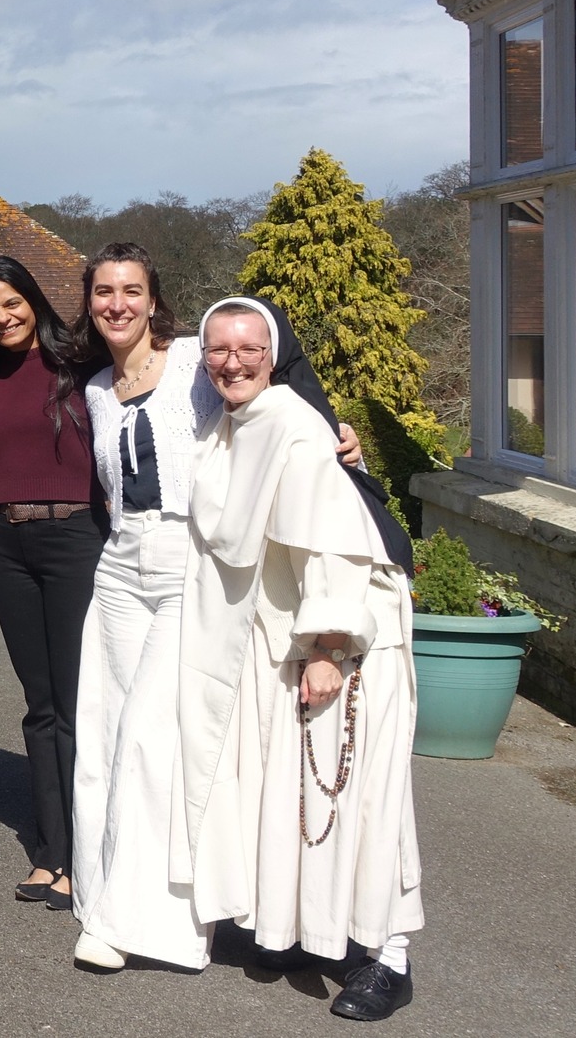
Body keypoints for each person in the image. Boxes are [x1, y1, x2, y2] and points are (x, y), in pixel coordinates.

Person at [70, 247, 370, 970]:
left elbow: (267, 391)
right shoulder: (96, 390)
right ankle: (100, 890)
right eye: (104, 291)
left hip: (188, 566)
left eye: (131, 291)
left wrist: (341, 441)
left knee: (151, 736)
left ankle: (143, 925)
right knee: (104, 734)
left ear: (152, 299)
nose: (117, 304)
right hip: (118, 565)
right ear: (90, 302)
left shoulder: (192, 370)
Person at [178, 299, 423, 1022]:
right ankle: (301, 934)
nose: (232, 360)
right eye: (217, 348)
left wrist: (326, 645)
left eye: (248, 347)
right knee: (299, 797)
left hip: (346, 639)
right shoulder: (229, 426)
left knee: (365, 797)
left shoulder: (294, 423)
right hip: (290, 639)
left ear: (274, 352)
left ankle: (391, 958)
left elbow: (338, 541)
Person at [0, 254, 100, 910]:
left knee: (76, 702)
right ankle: (50, 852)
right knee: (39, 703)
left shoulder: (80, 361)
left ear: (32, 299)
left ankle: (83, 854)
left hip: (76, 538)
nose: (1, 316)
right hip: (9, 542)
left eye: (10, 302)